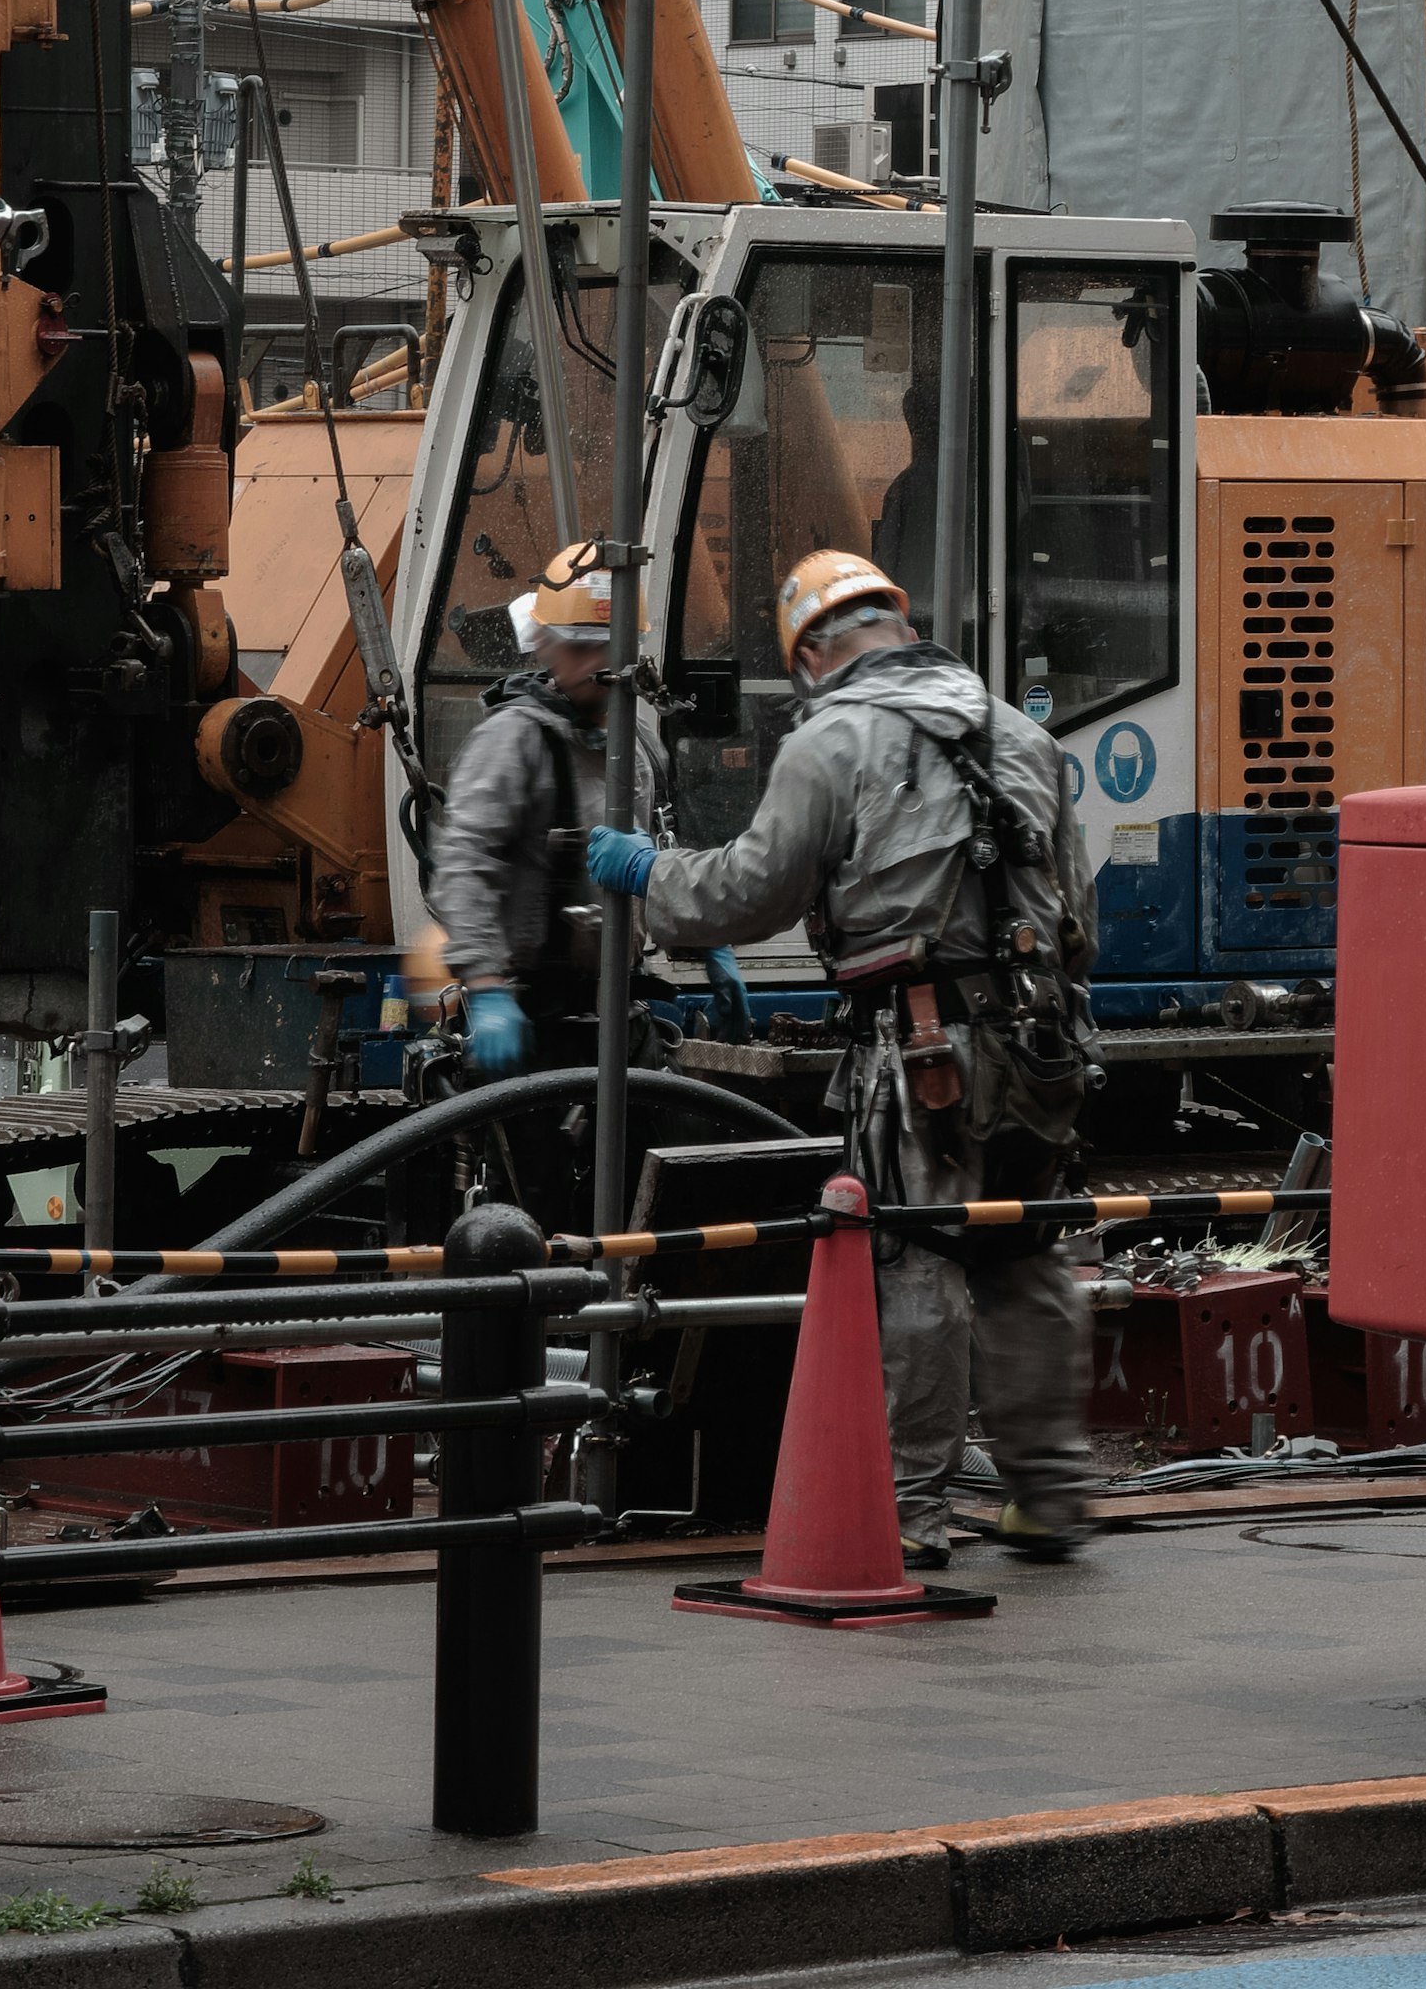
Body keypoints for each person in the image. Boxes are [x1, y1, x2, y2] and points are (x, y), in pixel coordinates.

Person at [585, 549, 1100, 1568]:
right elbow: (1078, 916)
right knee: (1023, 1250)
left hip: (921, 1044)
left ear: (813, 652)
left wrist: (648, 876)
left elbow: (751, 890)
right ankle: (1048, 1494)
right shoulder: (1024, 735)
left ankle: (909, 1512)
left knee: (919, 1260)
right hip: (1042, 1038)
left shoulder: (835, 740)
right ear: (898, 625)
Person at [422, 541, 701, 1081]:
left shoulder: (641, 747)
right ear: (544, 643)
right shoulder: (514, 741)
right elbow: (462, 866)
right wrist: (483, 986)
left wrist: (709, 948)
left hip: (619, 1017)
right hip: (531, 1021)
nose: (596, 663)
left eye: (608, 646)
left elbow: (664, 855)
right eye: (579, 646)